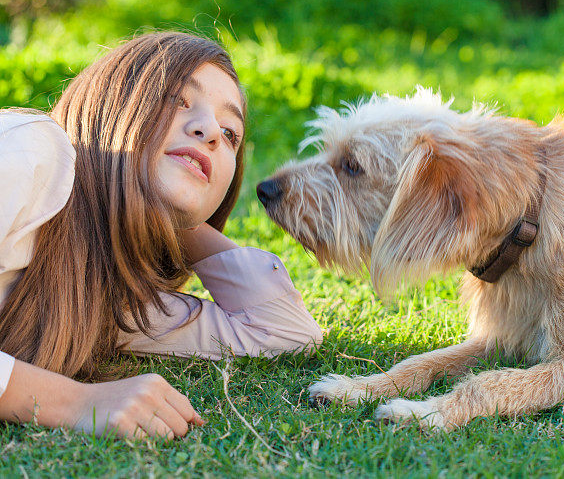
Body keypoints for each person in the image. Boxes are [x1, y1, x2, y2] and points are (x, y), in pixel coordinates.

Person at [0, 31, 323, 440]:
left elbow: (282, 332)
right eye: (178, 99)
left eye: (230, 135)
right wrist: (76, 401)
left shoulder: (104, 297)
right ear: (113, 106)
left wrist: (174, 214)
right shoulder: (30, 154)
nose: (209, 131)